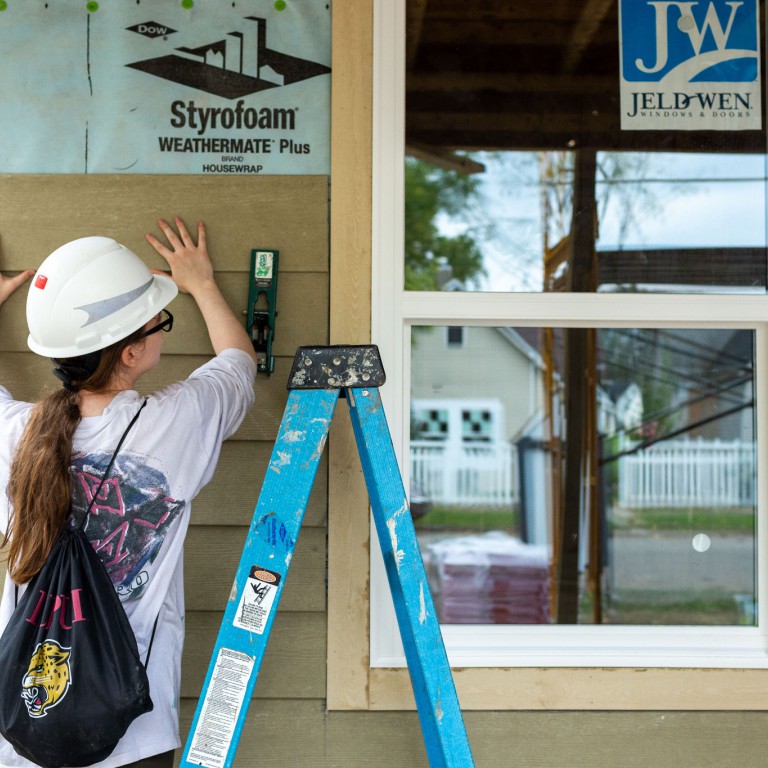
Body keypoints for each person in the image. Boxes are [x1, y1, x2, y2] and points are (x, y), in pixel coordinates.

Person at [0, 217, 258, 768]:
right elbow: (239, 364)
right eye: (159, 322)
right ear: (131, 354)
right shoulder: (176, 424)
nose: (164, 329)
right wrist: (202, 284)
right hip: (131, 731)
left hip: (22, 725)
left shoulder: (13, 432)